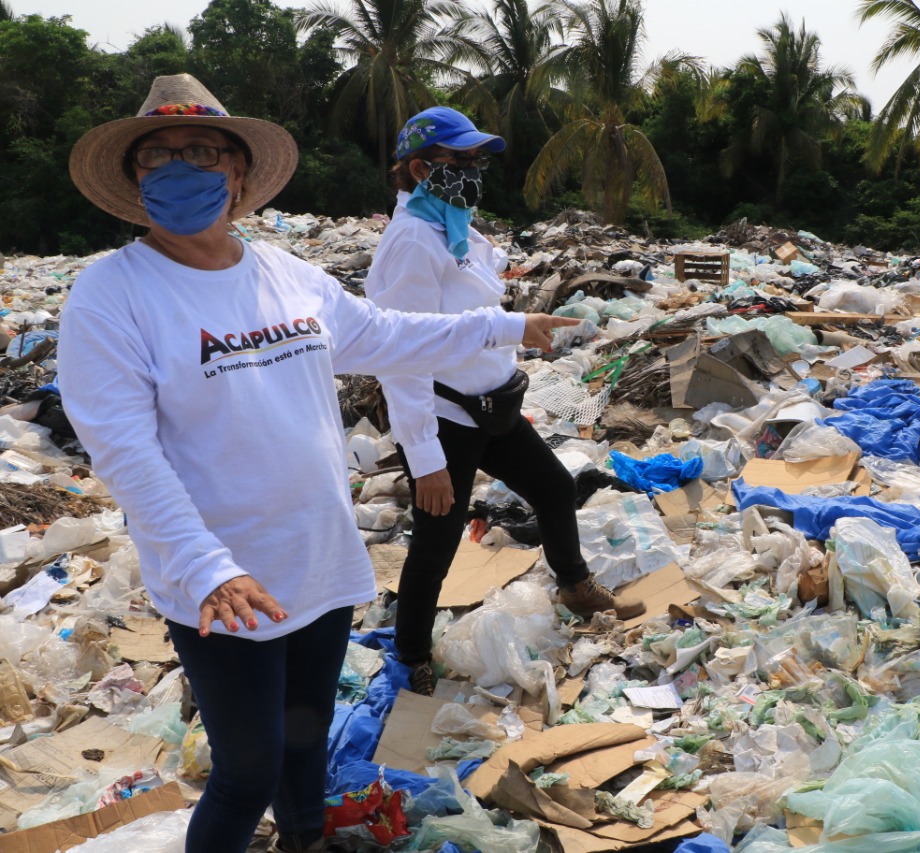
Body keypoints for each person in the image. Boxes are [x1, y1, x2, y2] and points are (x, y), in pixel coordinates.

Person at [59, 75, 576, 853]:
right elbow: (125, 452)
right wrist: (207, 567)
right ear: (135, 182)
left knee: (306, 737)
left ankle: (307, 841)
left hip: (320, 559)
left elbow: (384, 332)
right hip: (224, 584)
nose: (181, 167)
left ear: (238, 175)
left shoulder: (283, 273)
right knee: (244, 769)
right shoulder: (111, 295)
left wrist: (503, 324)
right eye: (159, 155)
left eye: (202, 150)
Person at [364, 107, 645, 695]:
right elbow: (400, 353)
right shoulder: (412, 241)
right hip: (447, 418)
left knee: (554, 489)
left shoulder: (451, 221)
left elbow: (479, 281)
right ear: (419, 168)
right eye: (458, 161)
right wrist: (425, 459)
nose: (472, 171)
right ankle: (411, 651)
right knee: (436, 542)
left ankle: (573, 584)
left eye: (476, 160)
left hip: (496, 406)